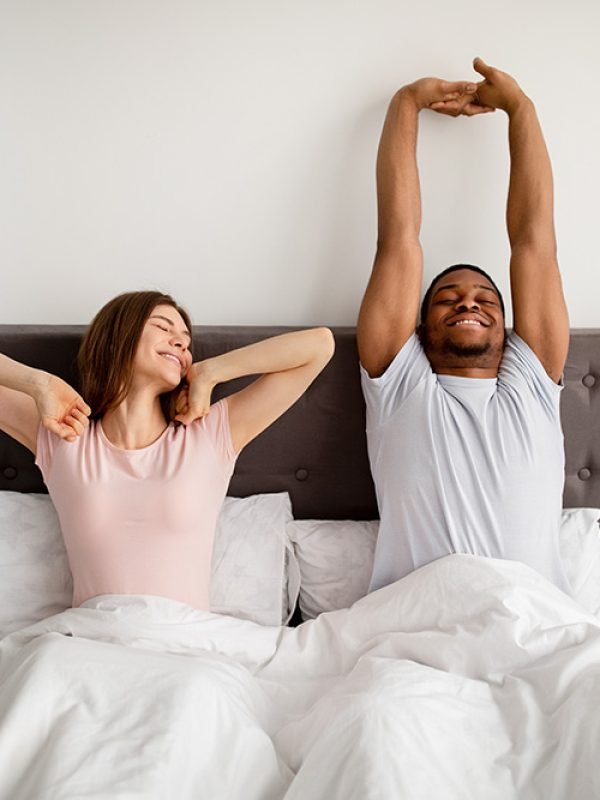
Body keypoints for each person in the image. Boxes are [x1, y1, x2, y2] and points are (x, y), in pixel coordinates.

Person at [357, 58, 571, 594]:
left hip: (535, 629)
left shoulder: (534, 380)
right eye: (447, 299)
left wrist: (520, 107)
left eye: (485, 299)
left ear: (507, 326)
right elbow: (398, 238)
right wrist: (405, 101)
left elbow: (534, 242)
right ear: (421, 329)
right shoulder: (398, 382)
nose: (467, 304)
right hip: (416, 630)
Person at [0, 291, 334, 609]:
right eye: (163, 327)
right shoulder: (65, 434)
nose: (181, 343)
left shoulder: (209, 436)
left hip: (181, 645)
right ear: (118, 338)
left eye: (187, 342)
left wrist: (211, 371)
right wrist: (36, 383)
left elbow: (319, 344)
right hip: (92, 643)